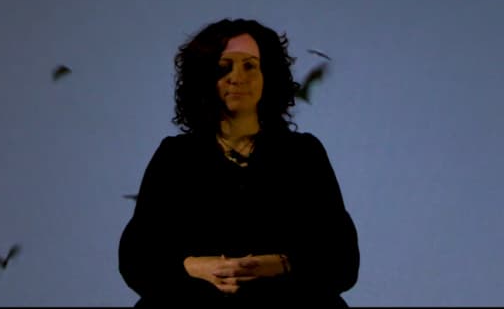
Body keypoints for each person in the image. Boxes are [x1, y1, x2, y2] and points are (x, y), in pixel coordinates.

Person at [118, 18, 359, 307]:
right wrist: (194, 266)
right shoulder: (175, 157)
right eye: (223, 67)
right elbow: (136, 258)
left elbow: (342, 261)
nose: (236, 77)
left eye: (250, 66)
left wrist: (277, 264)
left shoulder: (303, 154)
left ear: (268, 76)